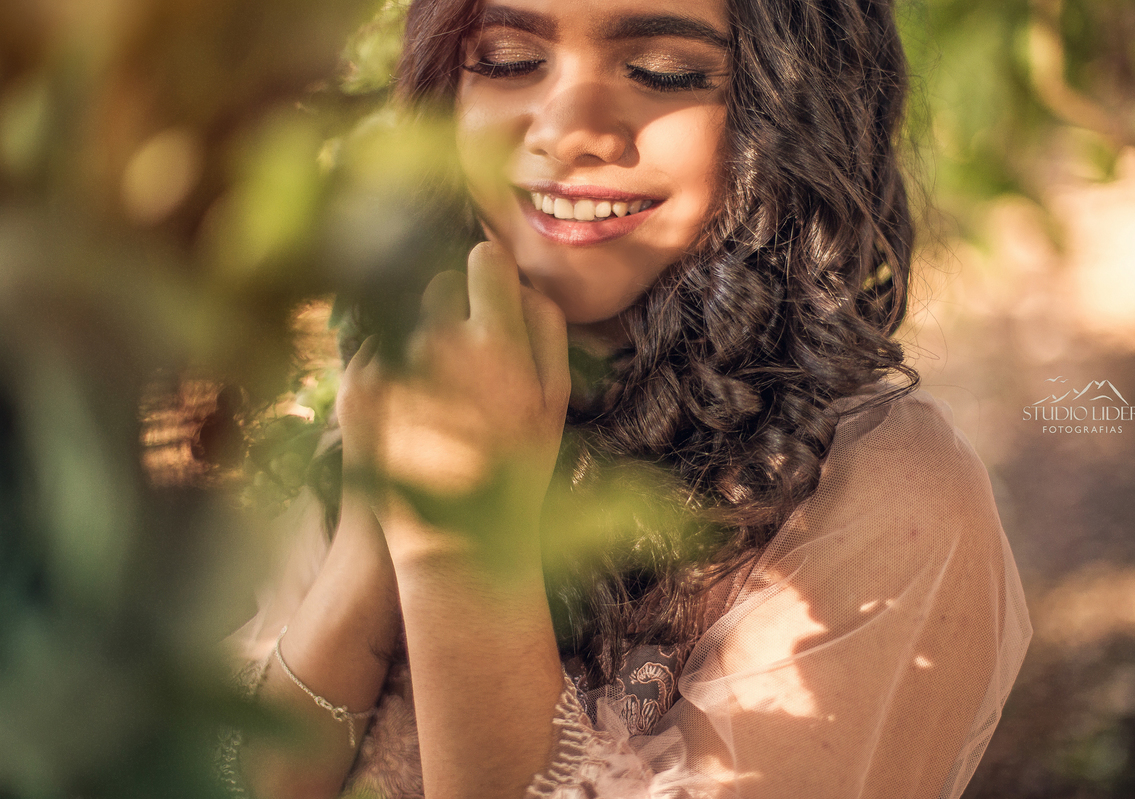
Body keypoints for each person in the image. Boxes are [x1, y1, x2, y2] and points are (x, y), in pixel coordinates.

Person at [220, 0, 1032, 797]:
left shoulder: (889, 490)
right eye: (508, 60)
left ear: (795, 106)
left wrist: (461, 546)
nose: (568, 131)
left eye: (662, 71)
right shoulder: (426, 379)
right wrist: (373, 540)